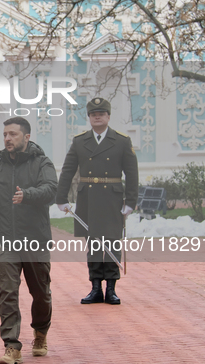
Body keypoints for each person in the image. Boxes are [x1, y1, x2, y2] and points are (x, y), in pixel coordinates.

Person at [0, 117, 58, 364]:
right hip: (6, 242)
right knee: (7, 293)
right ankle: (12, 346)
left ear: (27, 137)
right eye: (5, 135)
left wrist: (28, 195)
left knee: (41, 293)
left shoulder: (42, 162)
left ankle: (40, 332)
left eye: (13, 134)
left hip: (35, 241)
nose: (8, 139)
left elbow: (52, 189)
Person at [56, 97, 138, 305]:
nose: (97, 117)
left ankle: (111, 289)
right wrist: (61, 197)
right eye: (94, 114)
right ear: (90, 118)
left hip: (112, 199)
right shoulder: (79, 141)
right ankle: (95, 288)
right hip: (88, 199)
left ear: (108, 116)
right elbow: (68, 170)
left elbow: (131, 173)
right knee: (93, 244)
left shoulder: (121, 141)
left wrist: (131, 201)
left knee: (111, 242)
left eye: (101, 113)